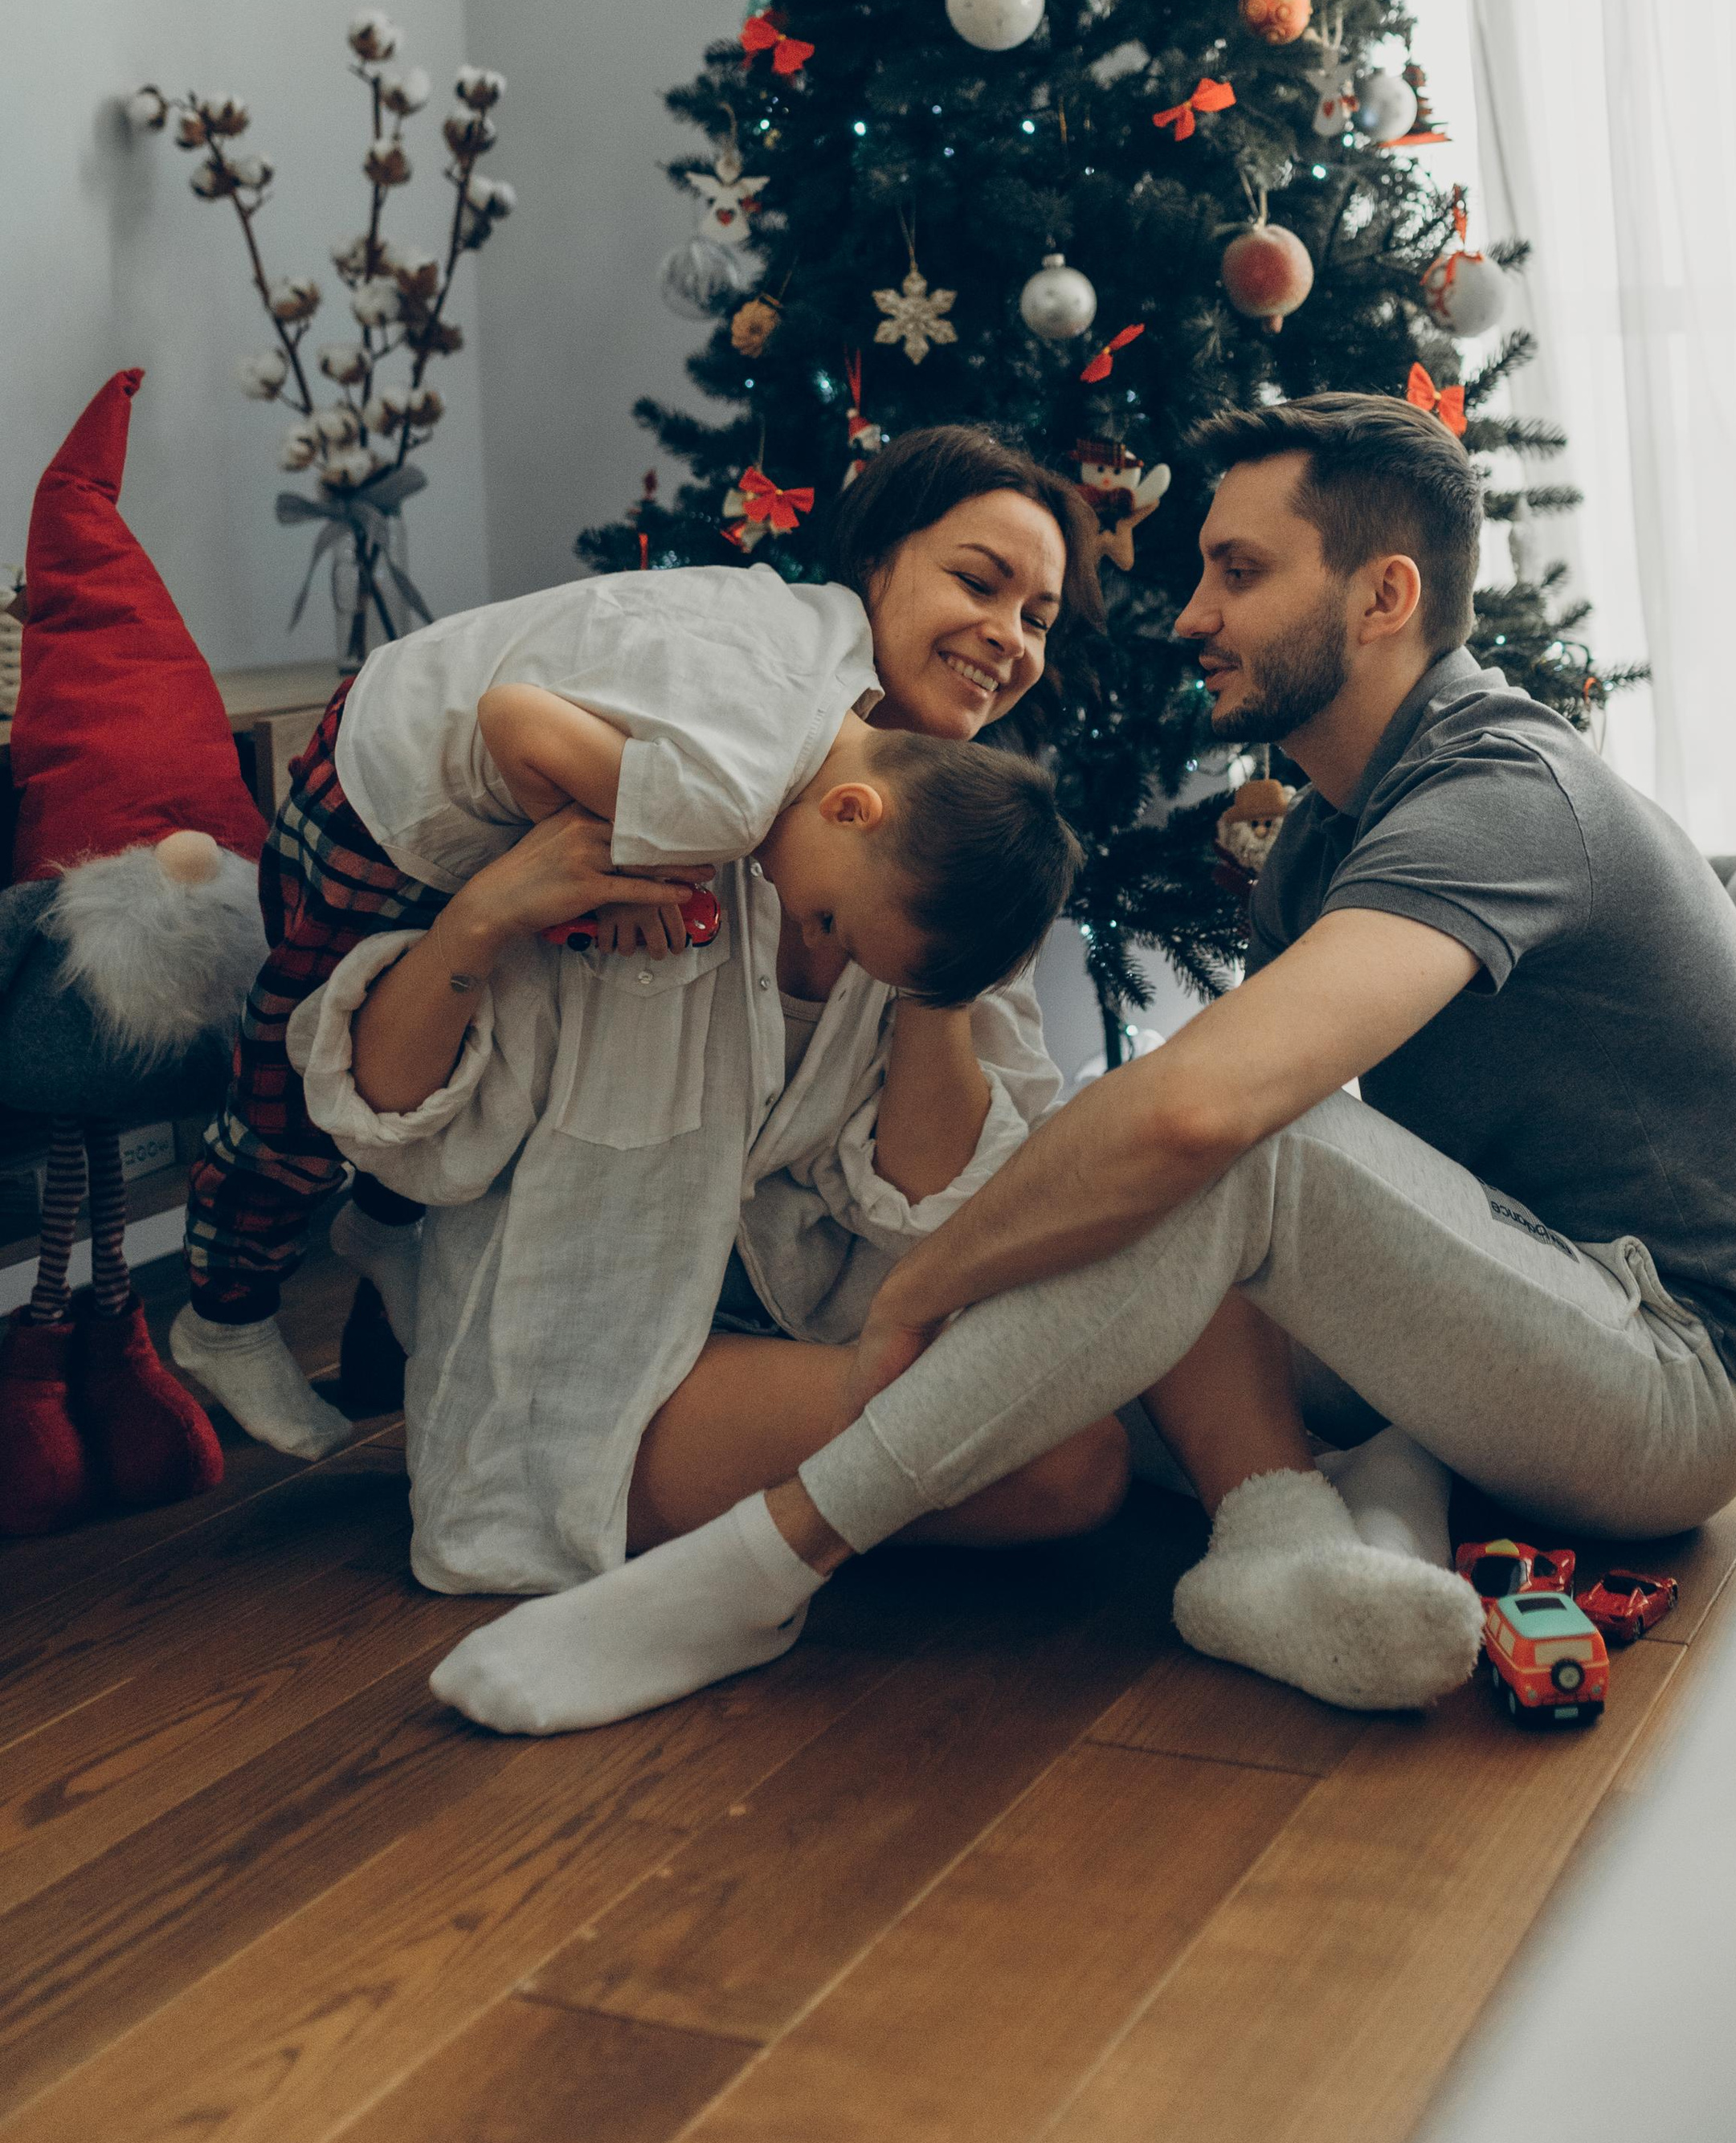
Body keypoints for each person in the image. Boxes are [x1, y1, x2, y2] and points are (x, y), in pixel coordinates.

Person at [424, 392, 1736, 1737]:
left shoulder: (1498, 794)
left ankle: (754, 1569)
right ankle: (1323, 1509)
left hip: (1679, 1374)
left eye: (1238, 569)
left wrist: (929, 1285)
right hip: (1526, 1298)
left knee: (1228, 1139)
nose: (1193, 612)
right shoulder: (1323, 840)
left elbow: (1214, 1112)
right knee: (1136, 1272)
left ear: (1384, 595)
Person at [170, 426, 1101, 1459]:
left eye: (1040, 618)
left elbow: (938, 1187)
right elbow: (510, 718)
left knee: (1057, 1456)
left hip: (784, 1322)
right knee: (285, 1067)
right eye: (978, 582)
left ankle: (382, 1236)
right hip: (375, 795)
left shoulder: (956, 855)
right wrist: (613, 864)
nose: (1010, 635)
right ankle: (226, 1313)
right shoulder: (735, 777)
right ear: (873, 563)